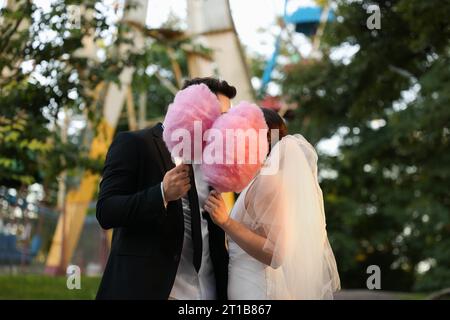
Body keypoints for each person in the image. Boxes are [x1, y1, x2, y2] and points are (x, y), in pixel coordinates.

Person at [95, 77, 236, 300]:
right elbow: (106, 211)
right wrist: (161, 193)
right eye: (219, 116)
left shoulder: (213, 161)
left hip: (205, 293)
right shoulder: (135, 144)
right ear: (192, 107)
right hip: (150, 290)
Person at [204, 108, 341, 299]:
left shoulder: (268, 181)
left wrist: (226, 222)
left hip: (259, 292)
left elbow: (277, 254)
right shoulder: (258, 179)